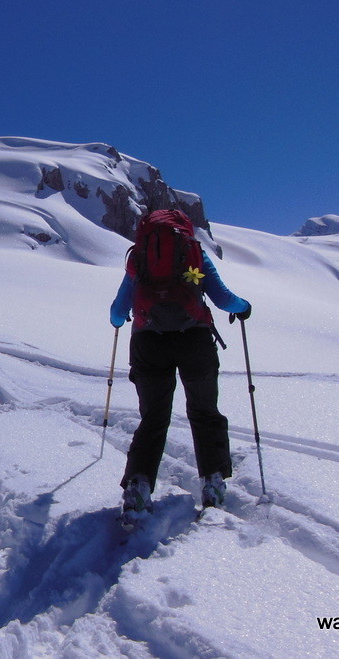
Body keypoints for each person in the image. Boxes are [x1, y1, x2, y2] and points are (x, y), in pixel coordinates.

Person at [109, 207, 251, 522]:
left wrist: (121, 319)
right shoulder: (194, 256)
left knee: (154, 418)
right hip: (195, 341)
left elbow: (118, 310)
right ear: (184, 229)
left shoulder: (139, 260)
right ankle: (213, 484)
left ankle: (138, 486)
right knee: (204, 412)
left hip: (148, 343)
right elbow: (224, 299)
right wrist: (244, 307)